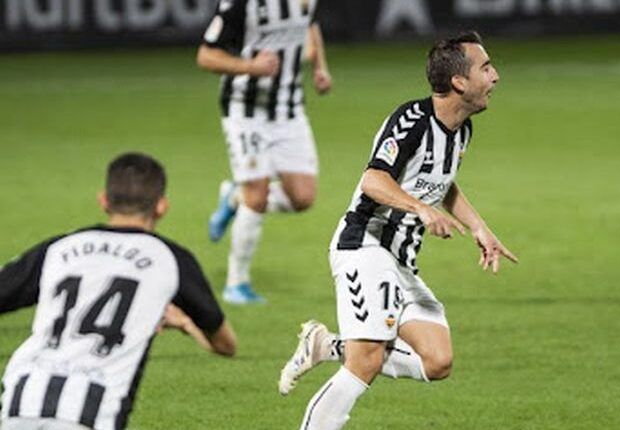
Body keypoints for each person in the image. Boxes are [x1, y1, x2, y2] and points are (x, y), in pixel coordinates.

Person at [277, 32, 518, 429]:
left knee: (437, 361)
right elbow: (374, 180)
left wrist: (480, 228)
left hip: (400, 261)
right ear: (459, 82)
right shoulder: (412, 121)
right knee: (366, 361)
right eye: (486, 68)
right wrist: (421, 209)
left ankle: (326, 344)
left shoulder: (462, 130)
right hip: (364, 245)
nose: (496, 77)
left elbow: (442, 183)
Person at [0, 153, 237, 430]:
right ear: (161, 206)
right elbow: (225, 344)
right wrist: (185, 323)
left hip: (20, 401)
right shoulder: (170, 260)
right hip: (89, 414)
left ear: (103, 201)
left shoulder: (60, 248)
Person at [197, 0, 332, 304]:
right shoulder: (240, 5)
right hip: (244, 108)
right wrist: (250, 67)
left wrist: (320, 67)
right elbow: (205, 56)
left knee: (303, 198)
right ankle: (236, 283)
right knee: (256, 195)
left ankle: (234, 195)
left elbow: (310, 24)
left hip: (289, 109)